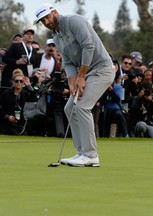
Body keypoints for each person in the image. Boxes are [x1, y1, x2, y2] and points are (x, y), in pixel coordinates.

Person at [35, 4, 115, 167]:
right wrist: (72, 81)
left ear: (55, 12)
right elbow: (68, 61)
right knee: (69, 108)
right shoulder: (56, 37)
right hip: (88, 73)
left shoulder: (74, 21)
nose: (46, 21)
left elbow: (88, 46)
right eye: (42, 20)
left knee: (82, 107)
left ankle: (91, 155)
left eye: (47, 17)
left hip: (103, 69)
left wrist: (81, 76)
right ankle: (82, 153)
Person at [0, 69, 27, 135]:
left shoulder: (25, 94)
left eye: (21, 81)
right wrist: (7, 116)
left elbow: (34, 99)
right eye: (16, 81)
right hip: (7, 123)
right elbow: (0, 109)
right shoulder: (6, 94)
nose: (19, 83)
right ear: (13, 82)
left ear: (23, 82)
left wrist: (28, 85)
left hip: (21, 122)